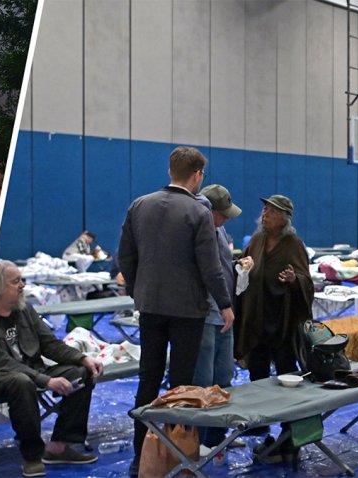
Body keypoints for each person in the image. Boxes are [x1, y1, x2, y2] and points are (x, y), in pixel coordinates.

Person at [117, 146, 234, 476]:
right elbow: (210, 267)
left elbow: (125, 256)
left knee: (148, 381)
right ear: (197, 175)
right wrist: (225, 304)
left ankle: (141, 458)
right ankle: (178, 459)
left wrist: (142, 290)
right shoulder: (197, 213)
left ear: (171, 170)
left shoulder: (140, 205)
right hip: (188, 310)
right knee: (182, 389)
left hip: (151, 307)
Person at [0, 259, 104, 477]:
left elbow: (49, 344)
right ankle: (32, 455)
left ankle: (60, 445)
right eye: (15, 282)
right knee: (21, 381)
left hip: (32, 368)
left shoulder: (25, 310)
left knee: (81, 372)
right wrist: (45, 381)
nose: (22, 285)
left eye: (22, 279)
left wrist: (82, 358)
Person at [235, 194, 314, 463]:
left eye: (271, 211)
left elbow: (306, 281)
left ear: (284, 219)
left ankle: (289, 432)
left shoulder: (293, 245)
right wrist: (241, 266)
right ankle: (260, 420)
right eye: (265, 209)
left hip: (283, 322)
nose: (265, 214)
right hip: (257, 318)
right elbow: (243, 267)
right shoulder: (256, 241)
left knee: (285, 375)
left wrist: (294, 280)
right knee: (257, 372)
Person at [192, 184, 244, 464]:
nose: (225, 218)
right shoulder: (198, 228)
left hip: (225, 313)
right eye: (222, 213)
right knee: (203, 382)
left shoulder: (220, 229)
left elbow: (221, 264)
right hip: (205, 314)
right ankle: (197, 441)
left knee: (224, 377)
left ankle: (219, 437)